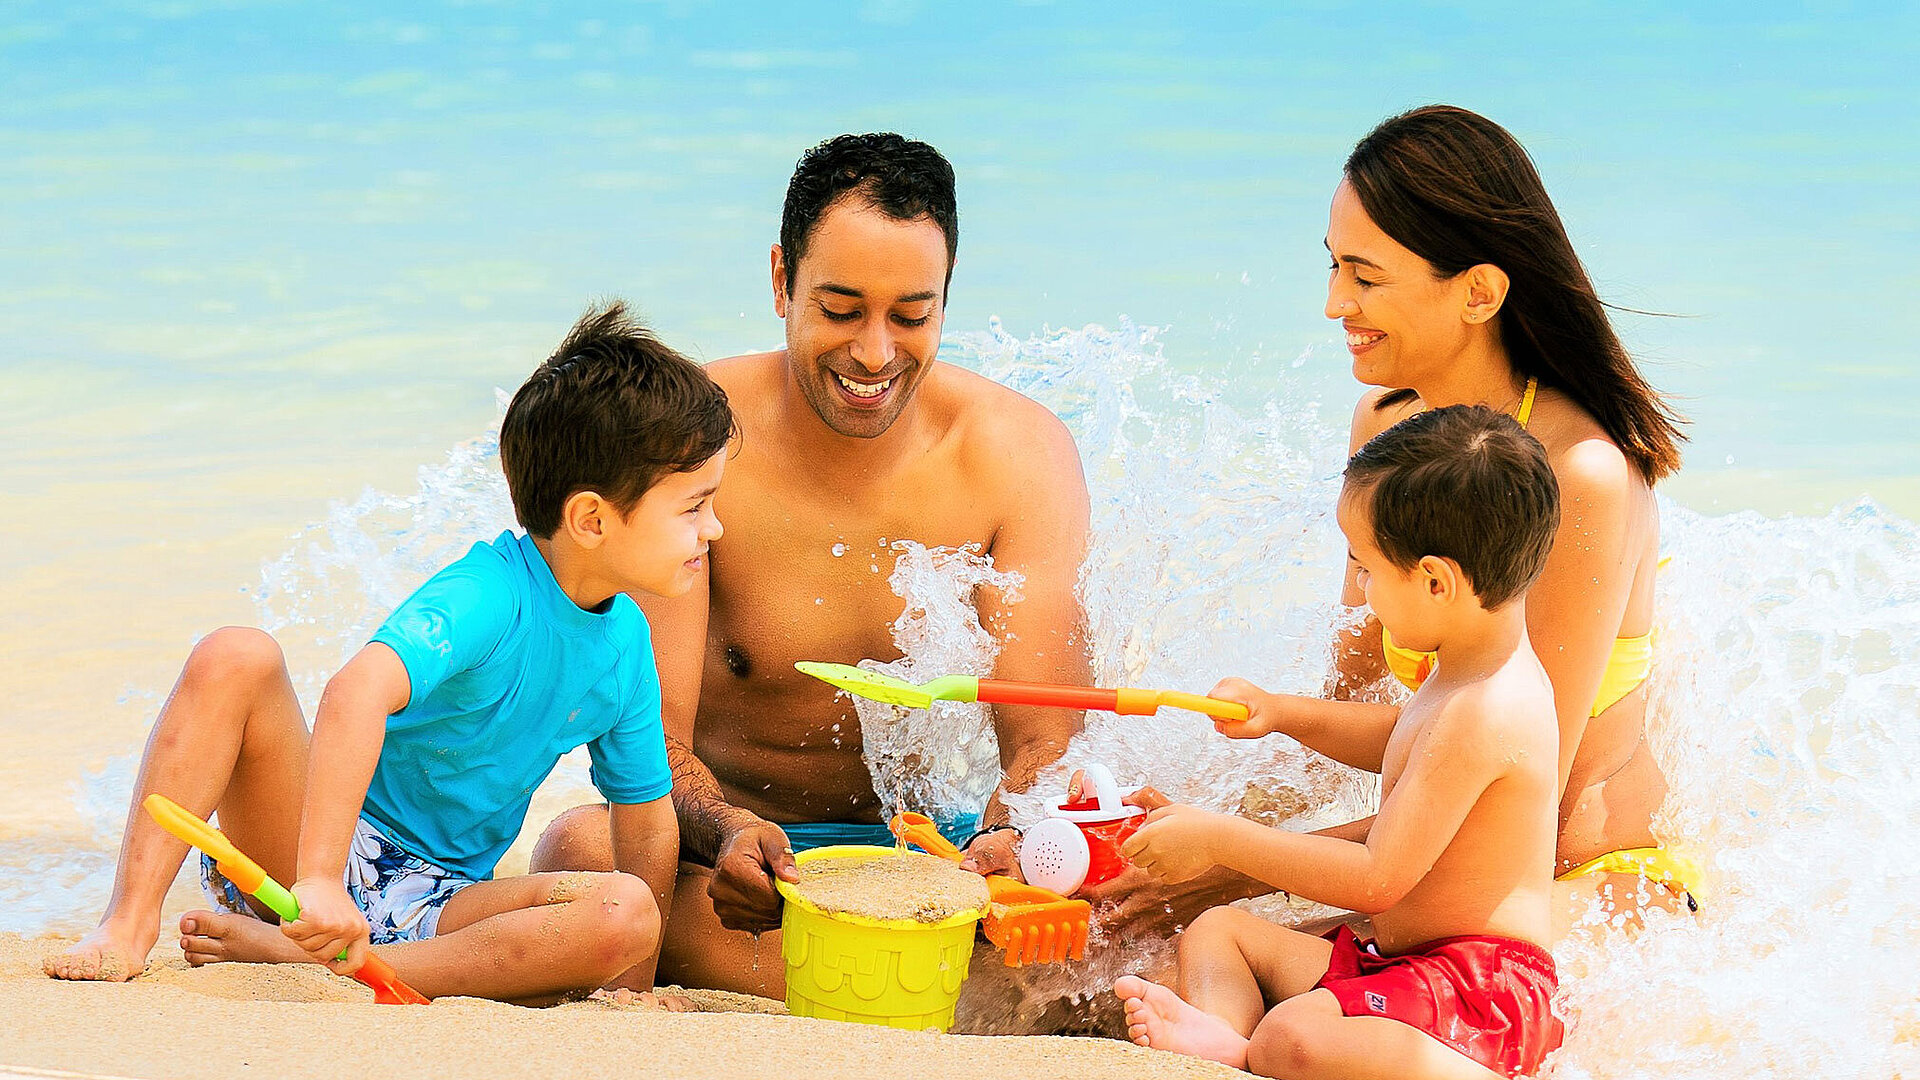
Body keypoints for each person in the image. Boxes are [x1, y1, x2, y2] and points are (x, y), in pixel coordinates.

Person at [1099, 104, 1692, 938]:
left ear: (1479, 292)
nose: (1335, 302)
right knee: (1125, 964)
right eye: (1334, 267)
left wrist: (1232, 868)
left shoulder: (1578, 475)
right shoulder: (1386, 432)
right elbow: (1368, 703)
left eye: (1365, 276)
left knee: (1206, 975)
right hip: (1433, 873)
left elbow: (1515, 785)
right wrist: (1188, 825)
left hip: (1585, 891)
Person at [530, 133, 1091, 996]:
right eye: (839, 309)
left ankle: (874, 981)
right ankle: (910, 994)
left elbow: (1044, 736)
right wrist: (726, 832)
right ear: (781, 280)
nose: (874, 353)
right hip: (744, 864)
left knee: (1109, 888)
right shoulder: (693, 444)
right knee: (577, 850)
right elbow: (654, 736)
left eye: (912, 316)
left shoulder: (1018, 455)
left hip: (928, 855)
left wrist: (1005, 842)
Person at [44, 302, 729, 1005]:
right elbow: (354, 692)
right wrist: (316, 878)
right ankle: (127, 925)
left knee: (625, 910)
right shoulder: (487, 594)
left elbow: (644, 814)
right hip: (305, 857)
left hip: (438, 905)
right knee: (235, 654)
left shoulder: (623, 643)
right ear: (591, 518)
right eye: (693, 507)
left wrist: (631, 983)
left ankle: (309, 963)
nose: (716, 527)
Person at [1114, 404, 1565, 1079]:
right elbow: (1400, 736)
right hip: (1403, 967)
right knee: (1218, 933)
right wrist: (1282, 712)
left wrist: (1218, 839)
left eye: (1366, 569)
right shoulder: (1470, 664)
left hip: (1479, 994)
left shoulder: (1491, 707)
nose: (1358, 588)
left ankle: (1247, 1054)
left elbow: (1377, 879)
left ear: (1436, 581)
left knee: (1295, 1034)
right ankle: (1218, 1050)